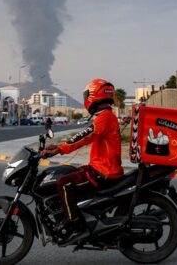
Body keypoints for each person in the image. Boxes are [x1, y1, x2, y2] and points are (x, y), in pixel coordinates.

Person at [41, 78, 123, 244]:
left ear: (93, 96)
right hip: (103, 167)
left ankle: (74, 226)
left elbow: (84, 136)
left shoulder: (105, 117)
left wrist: (60, 149)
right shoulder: (106, 116)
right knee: (72, 171)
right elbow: (85, 136)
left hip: (104, 171)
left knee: (63, 183)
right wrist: (59, 147)